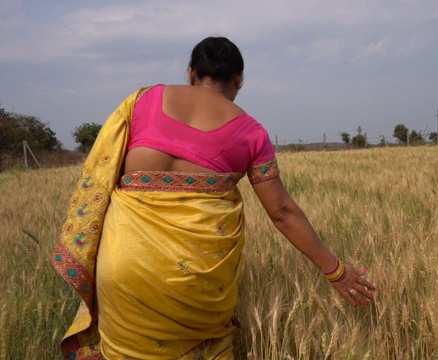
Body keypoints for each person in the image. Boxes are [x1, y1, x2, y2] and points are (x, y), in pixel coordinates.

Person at [51, 36, 376, 359]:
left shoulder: (141, 102)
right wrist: (335, 271)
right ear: (239, 78)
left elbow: (101, 176)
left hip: (124, 264)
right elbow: (282, 213)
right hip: (199, 283)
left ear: (191, 73)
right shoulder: (252, 133)